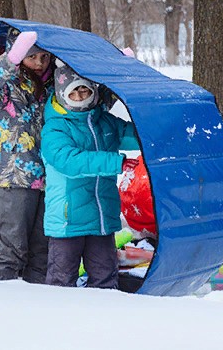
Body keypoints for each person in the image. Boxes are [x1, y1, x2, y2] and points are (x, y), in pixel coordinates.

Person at [41, 61, 139, 288]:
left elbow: (133, 135)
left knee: (105, 278)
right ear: (62, 94)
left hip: (102, 218)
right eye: (73, 92)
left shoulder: (103, 121)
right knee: (61, 281)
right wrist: (117, 161)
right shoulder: (55, 128)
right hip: (68, 221)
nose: (80, 95)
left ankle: (104, 321)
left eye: (84, 89)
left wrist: (157, 131)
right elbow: (69, 161)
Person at [0, 29, 53, 283]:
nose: (39, 63)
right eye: (32, 57)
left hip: (51, 180)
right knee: (12, 250)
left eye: (44, 57)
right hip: (16, 179)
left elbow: (85, 104)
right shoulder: (7, 88)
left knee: (42, 252)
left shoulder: (53, 88)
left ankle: (33, 305)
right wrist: (11, 58)